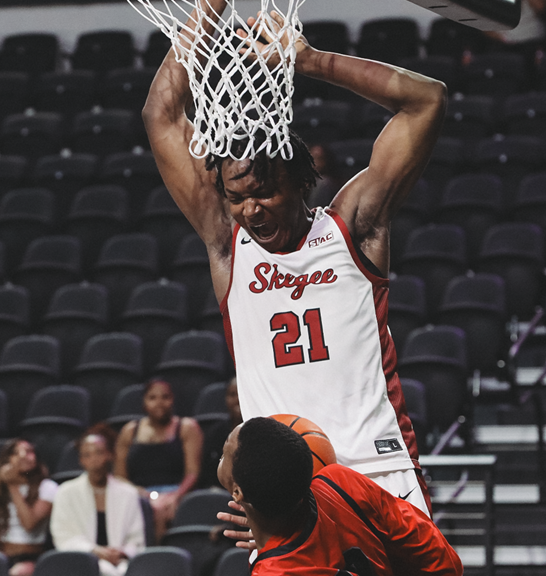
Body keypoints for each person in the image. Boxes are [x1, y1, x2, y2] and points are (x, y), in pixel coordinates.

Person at [142, 0, 446, 515]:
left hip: (376, 469)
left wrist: (307, 61)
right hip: (283, 487)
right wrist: (212, 6)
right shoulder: (226, 241)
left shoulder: (354, 227)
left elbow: (426, 100)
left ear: (300, 180)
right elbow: (161, 115)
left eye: (262, 192)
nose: (248, 209)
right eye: (236, 198)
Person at [216, 417, 462, 575]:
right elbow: (446, 564)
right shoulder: (341, 483)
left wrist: (263, 523)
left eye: (226, 448)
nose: (222, 450)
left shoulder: (273, 570)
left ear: (238, 491)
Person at [114, 379, 203, 540]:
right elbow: (120, 477)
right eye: (152, 398)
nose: (159, 403)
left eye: (165, 397)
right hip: (138, 494)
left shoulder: (187, 428)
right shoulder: (129, 431)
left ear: (172, 400)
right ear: (144, 402)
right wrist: (142, 495)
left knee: (161, 509)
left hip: (176, 493)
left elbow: (192, 473)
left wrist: (175, 496)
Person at [51, 424, 145, 576]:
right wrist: (95, 551)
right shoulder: (66, 492)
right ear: (81, 460)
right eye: (87, 455)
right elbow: (63, 536)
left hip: (121, 563)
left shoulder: (128, 493)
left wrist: (122, 552)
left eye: (99, 453)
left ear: (109, 455)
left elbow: (137, 539)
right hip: (81, 564)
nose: (94, 459)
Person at [0, 439, 57, 576]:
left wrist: (13, 486)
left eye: (28, 451)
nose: (22, 456)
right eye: (15, 453)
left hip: (33, 557)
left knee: (18, 573)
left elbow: (29, 524)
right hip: (3, 557)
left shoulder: (48, 487)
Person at [199, 376, 244, 489]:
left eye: (241, 394)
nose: (237, 399)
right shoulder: (216, 432)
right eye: (232, 394)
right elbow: (208, 470)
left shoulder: (261, 430)